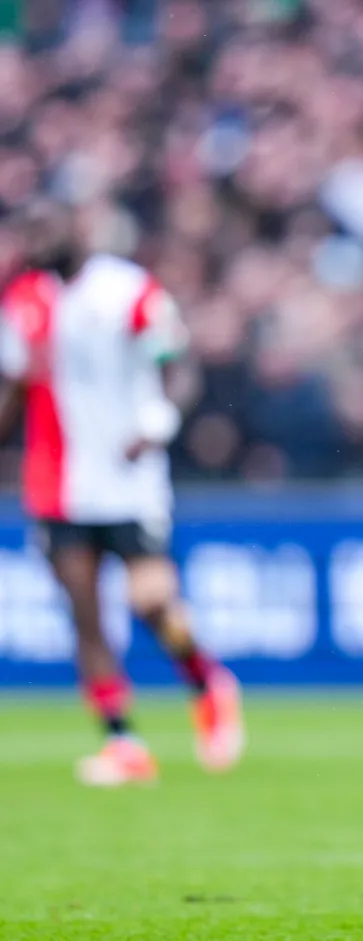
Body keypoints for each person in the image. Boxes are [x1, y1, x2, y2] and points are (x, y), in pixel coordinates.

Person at [0, 212, 245, 786]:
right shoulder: (24, 299)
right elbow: (12, 388)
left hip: (128, 475)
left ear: (78, 233)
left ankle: (207, 679)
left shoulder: (128, 290)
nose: (36, 243)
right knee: (85, 614)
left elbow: (178, 365)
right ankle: (123, 743)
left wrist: (157, 421)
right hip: (55, 481)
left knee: (151, 600)